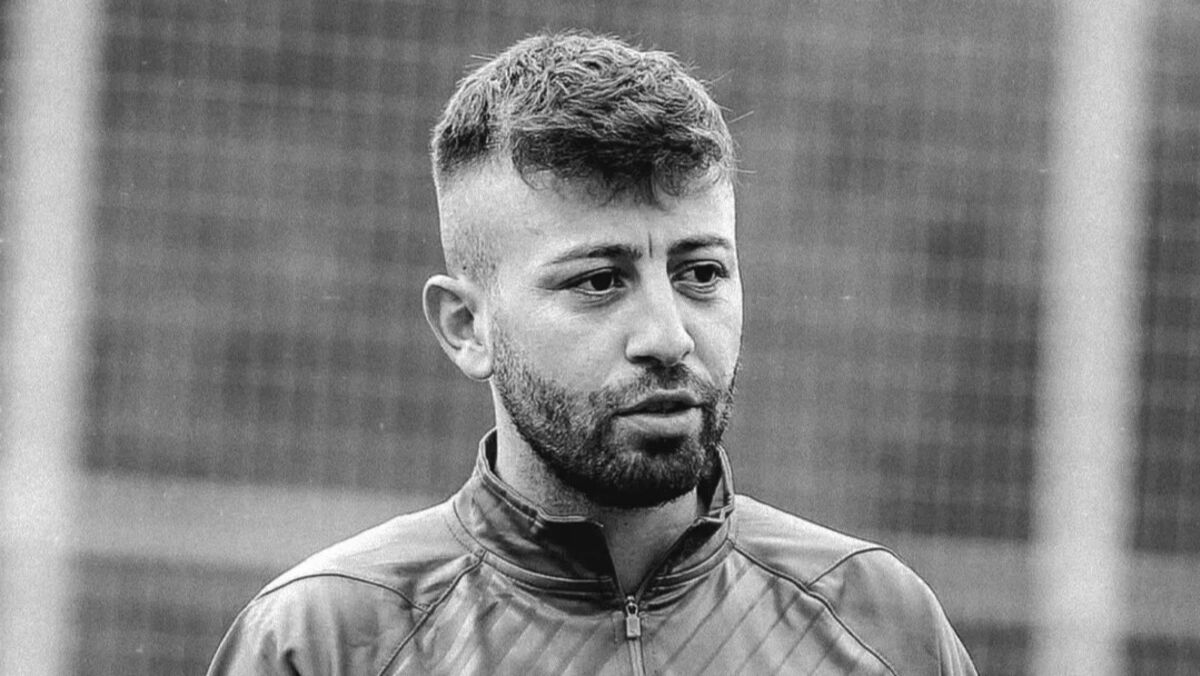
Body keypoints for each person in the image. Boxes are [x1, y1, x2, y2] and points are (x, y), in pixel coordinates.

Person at [207, 31, 977, 675]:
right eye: (600, 281)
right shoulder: (329, 642)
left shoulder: (879, 624)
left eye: (701, 274)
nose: (668, 337)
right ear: (466, 327)